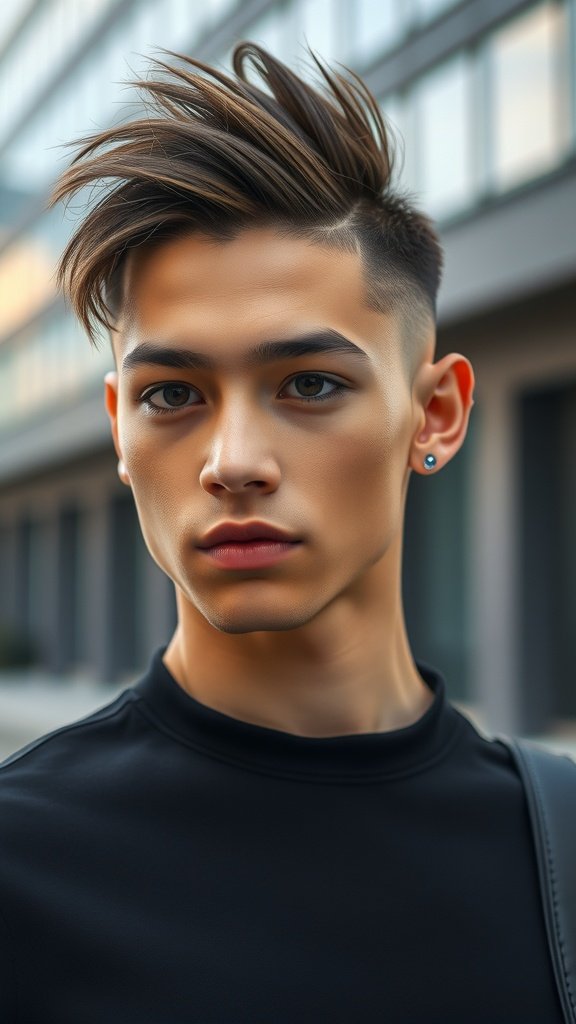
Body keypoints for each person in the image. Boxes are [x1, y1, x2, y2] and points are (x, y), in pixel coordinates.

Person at [0, 43, 565, 1023]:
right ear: (119, 432)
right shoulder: (18, 863)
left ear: (435, 414)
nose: (233, 458)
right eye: (171, 393)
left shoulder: (557, 842)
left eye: (310, 384)